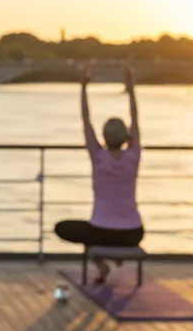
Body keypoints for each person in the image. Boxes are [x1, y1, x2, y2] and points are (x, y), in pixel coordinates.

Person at [54, 61, 144, 283]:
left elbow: (85, 118)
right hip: (134, 232)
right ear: (126, 137)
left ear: (104, 138)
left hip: (101, 231)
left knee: (64, 228)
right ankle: (115, 258)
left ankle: (102, 265)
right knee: (93, 230)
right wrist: (131, 89)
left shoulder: (98, 157)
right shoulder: (133, 156)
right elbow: (136, 118)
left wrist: (84, 86)